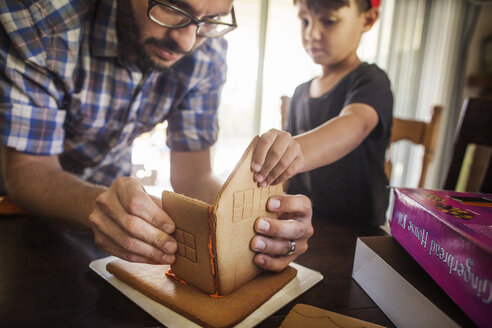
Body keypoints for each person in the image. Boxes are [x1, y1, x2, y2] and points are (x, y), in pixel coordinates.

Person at [0, 0, 313, 272]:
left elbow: (193, 176)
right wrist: (98, 205)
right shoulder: (42, 23)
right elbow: (27, 170)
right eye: (173, 7)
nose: (188, 41)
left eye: (210, 19)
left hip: (111, 215)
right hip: (16, 213)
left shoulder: (208, 50)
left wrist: (258, 223)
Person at [251, 0, 393, 227]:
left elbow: (354, 124)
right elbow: (289, 181)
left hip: (357, 234)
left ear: (367, 19)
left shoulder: (370, 80)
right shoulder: (300, 93)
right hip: (304, 226)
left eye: (329, 21)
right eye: (305, 21)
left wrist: (291, 154)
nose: (312, 33)